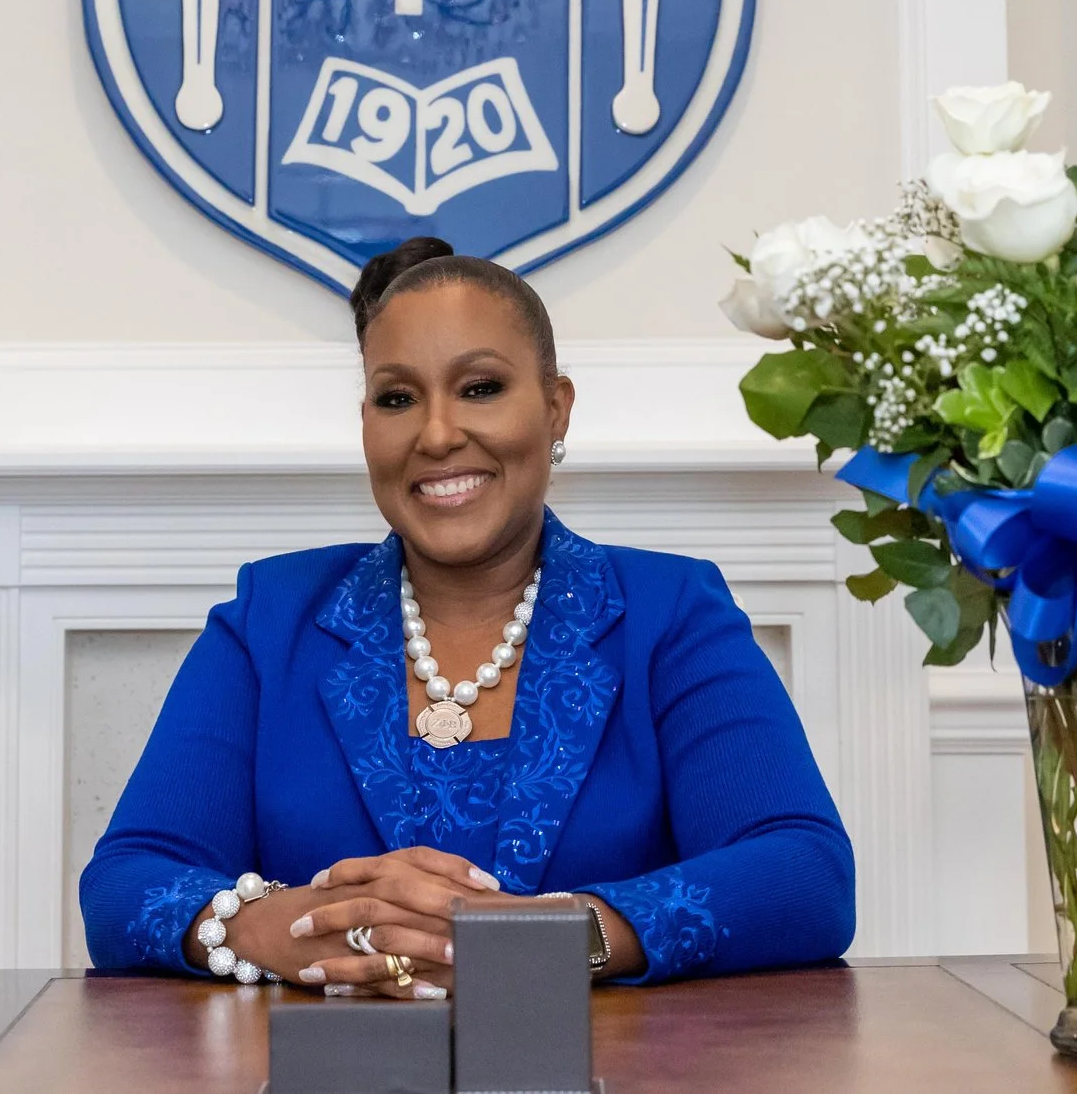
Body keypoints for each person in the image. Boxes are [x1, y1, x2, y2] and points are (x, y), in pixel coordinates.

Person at [80, 237, 856, 994]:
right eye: (397, 397)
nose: (439, 432)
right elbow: (125, 879)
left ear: (556, 410)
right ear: (365, 425)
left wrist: (543, 940)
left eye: (480, 386)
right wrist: (273, 924)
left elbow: (804, 872)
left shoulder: (671, 613)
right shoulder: (269, 621)